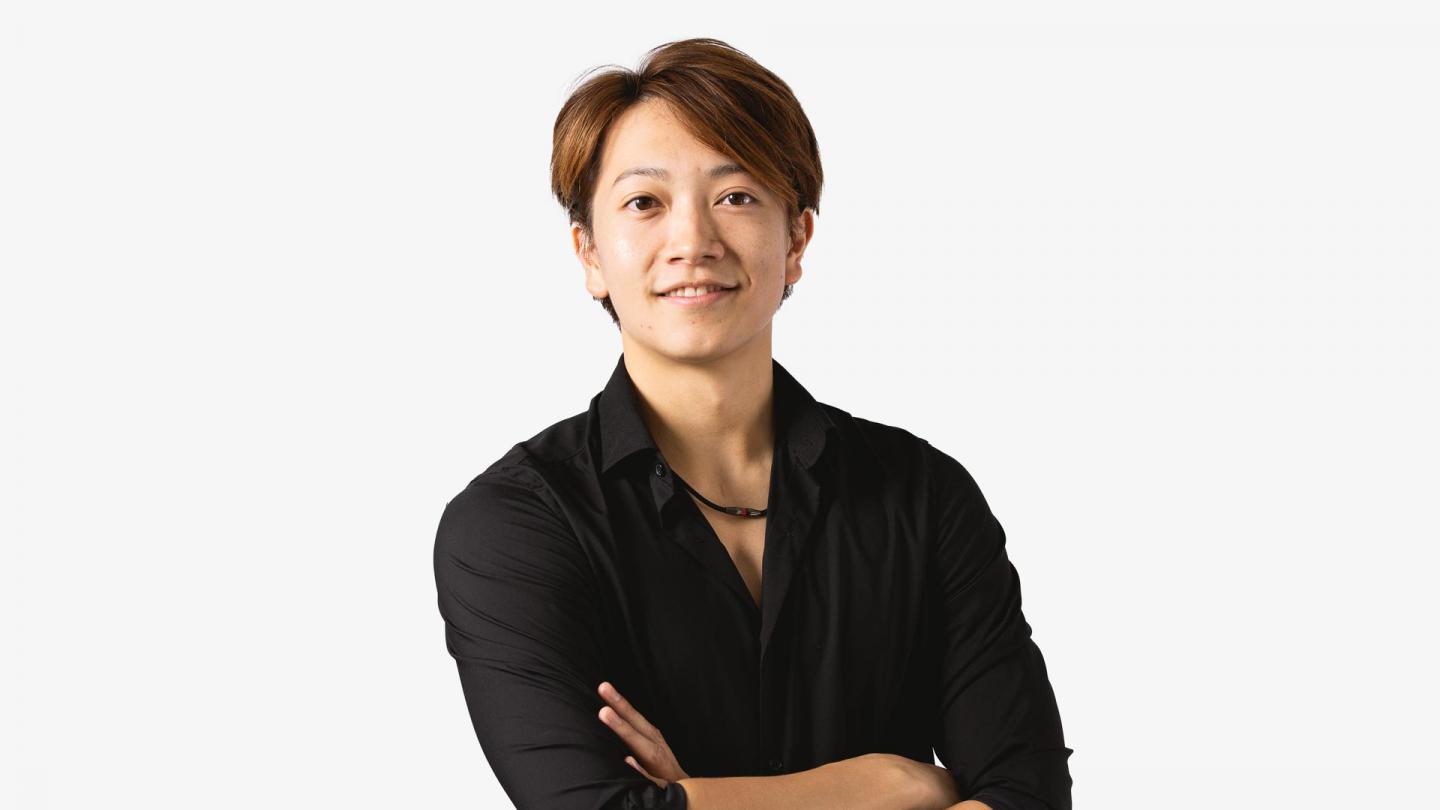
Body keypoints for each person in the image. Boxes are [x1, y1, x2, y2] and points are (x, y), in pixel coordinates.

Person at [433, 37, 1074, 810]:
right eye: (645, 203)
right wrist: (891, 782)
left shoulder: (923, 495)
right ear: (590, 254)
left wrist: (697, 797)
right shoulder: (514, 527)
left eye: (736, 196)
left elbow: (1029, 794)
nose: (693, 242)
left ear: (796, 240)